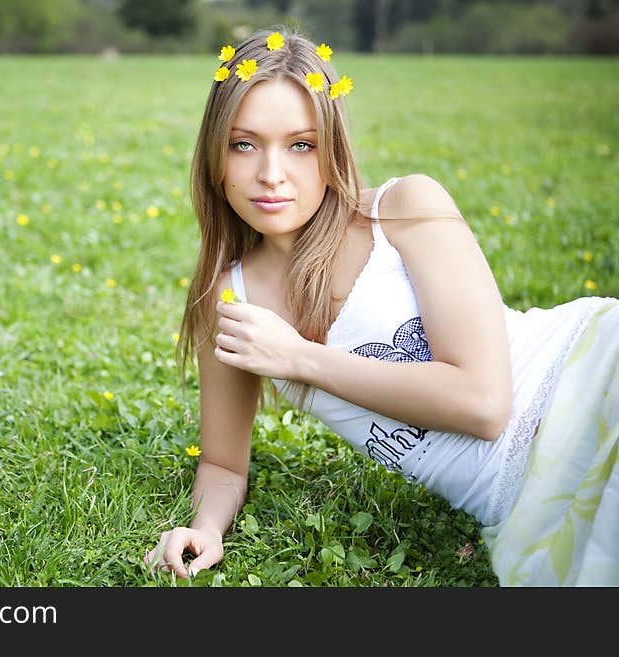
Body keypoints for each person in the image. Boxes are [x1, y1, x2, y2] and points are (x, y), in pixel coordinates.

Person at [144, 26, 619, 586]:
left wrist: (300, 358)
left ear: (331, 147)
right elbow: (223, 463)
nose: (272, 174)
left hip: (587, 381)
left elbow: (486, 405)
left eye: (302, 144)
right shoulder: (230, 303)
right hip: (522, 501)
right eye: (243, 144)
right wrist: (206, 527)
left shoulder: (404, 209)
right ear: (215, 152)